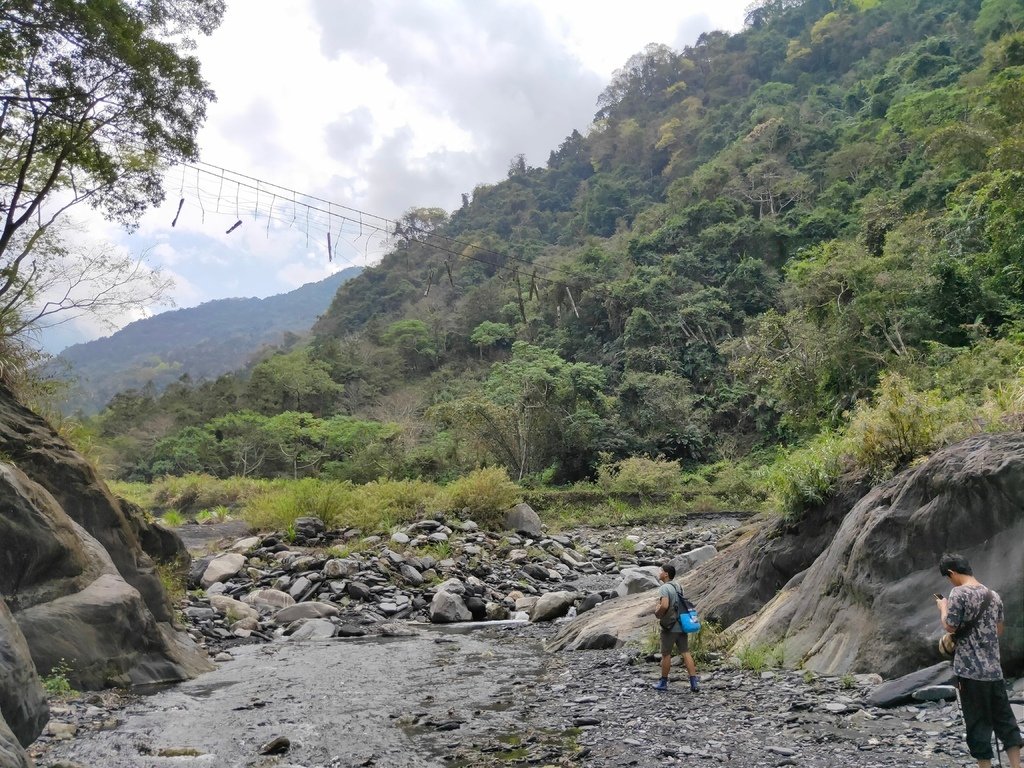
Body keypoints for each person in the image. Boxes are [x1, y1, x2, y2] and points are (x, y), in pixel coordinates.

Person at [936, 552, 1022, 768]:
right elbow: (999, 630)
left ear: (951, 573)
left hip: (970, 673)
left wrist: (943, 607)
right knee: (1005, 721)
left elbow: (950, 626)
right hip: (994, 672)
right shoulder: (994, 596)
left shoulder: (958, 593)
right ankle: (1016, 765)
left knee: (978, 724)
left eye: (948, 577)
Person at [652, 563, 699, 692]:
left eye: (661, 571)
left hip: (670, 626)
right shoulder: (678, 586)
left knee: (666, 654)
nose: (659, 573)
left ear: (666, 574)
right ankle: (694, 683)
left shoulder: (664, 588)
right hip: (682, 624)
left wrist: (657, 613)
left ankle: (663, 683)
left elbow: (665, 605)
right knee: (685, 652)